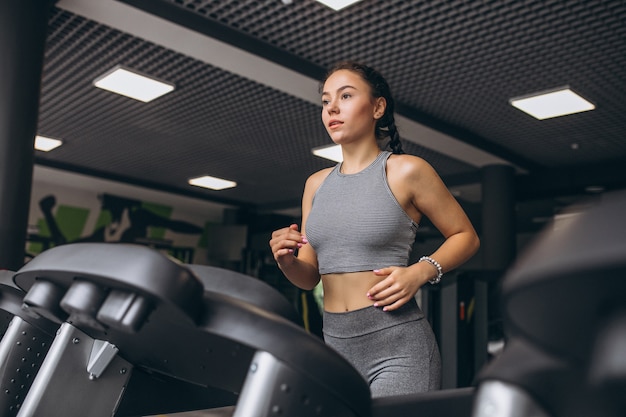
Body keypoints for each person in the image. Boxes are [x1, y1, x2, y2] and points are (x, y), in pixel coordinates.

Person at [269, 61, 480, 397]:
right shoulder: (315, 184)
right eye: (326, 101)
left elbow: (466, 236)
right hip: (334, 346)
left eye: (346, 96)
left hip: (398, 346)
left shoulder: (406, 170)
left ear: (378, 107)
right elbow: (310, 277)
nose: (332, 108)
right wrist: (286, 261)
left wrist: (420, 271)